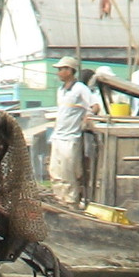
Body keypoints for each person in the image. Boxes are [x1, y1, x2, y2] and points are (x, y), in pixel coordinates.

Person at [48, 55, 95, 207]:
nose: (59, 72)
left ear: (69, 70)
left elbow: (94, 105)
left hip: (71, 138)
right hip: (58, 137)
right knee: (55, 173)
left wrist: (88, 116)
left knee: (69, 174)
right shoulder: (61, 90)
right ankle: (59, 200)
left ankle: (70, 203)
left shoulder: (80, 88)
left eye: (61, 69)